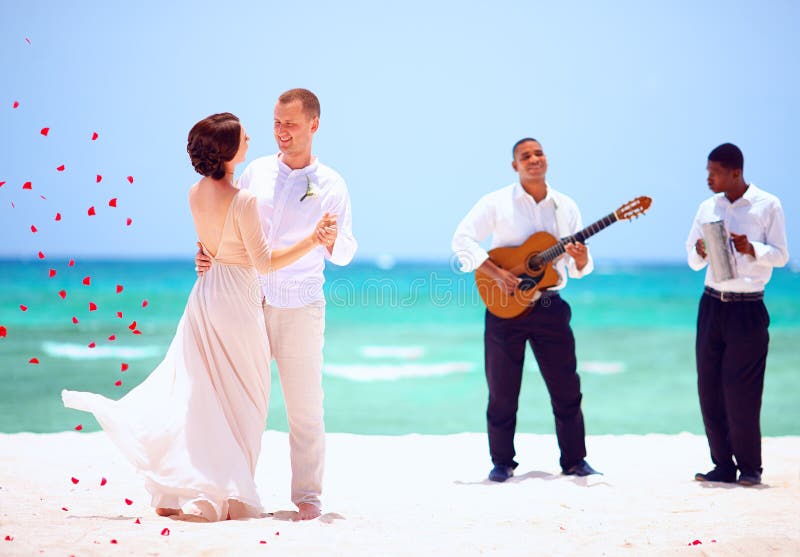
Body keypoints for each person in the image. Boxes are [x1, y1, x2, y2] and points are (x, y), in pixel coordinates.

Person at [62, 113, 333, 522]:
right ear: (228, 150)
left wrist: (206, 254)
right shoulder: (243, 200)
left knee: (202, 397)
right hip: (238, 302)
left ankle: (201, 489)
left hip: (205, 297)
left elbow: (211, 243)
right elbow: (264, 263)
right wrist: (313, 240)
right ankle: (226, 493)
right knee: (244, 400)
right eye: (244, 136)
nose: (251, 138)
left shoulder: (194, 193)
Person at [196, 89, 357, 520]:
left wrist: (331, 240)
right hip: (246, 300)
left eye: (290, 123)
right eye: (276, 123)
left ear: (313, 125)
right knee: (241, 401)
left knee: (305, 407)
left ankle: (308, 496)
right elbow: (230, 222)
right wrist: (208, 251)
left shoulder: (332, 184)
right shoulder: (256, 172)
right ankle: (233, 491)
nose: (281, 132)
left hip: (301, 305)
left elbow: (346, 252)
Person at [452, 137, 600, 482]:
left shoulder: (566, 207)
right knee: (502, 390)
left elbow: (577, 269)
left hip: (550, 306)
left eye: (539, 153)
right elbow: (462, 239)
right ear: (515, 165)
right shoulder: (496, 202)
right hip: (504, 307)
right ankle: (502, 463)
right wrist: (496, 273)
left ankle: (575, 461)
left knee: (566, 387)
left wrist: (582, 258)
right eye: (525, 156)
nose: (534, 159)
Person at [687, 143, 788, 487]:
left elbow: (781, 256)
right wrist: (700, 250)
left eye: (713, 172)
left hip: (748, 307)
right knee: (709, 388)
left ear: (735, 173)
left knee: (742, 391)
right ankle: (722, 465)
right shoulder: (706, 207)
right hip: (712, 303)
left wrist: (751, 249)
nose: (708, 178)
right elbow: (691, 257)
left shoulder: (767, 205)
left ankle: (750, 468)